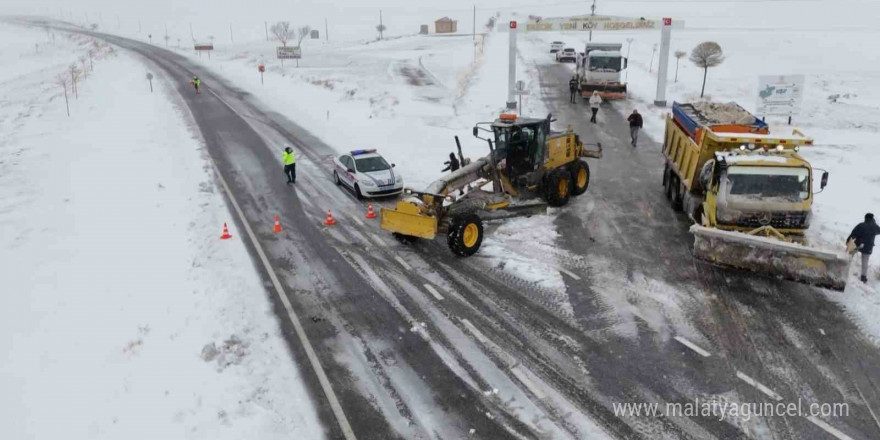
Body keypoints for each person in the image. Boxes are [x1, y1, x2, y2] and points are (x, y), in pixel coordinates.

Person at [847, 213, 880, 283]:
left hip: (858, 244)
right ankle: (863, 277)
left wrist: (848, 240)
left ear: (865, 218)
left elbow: (853, 233)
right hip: (868, 246)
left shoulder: (861, 225)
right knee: (865, 261)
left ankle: (845, 268)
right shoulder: (875, 227)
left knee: (850, 255)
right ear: (872, 219)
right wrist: (874, 224)